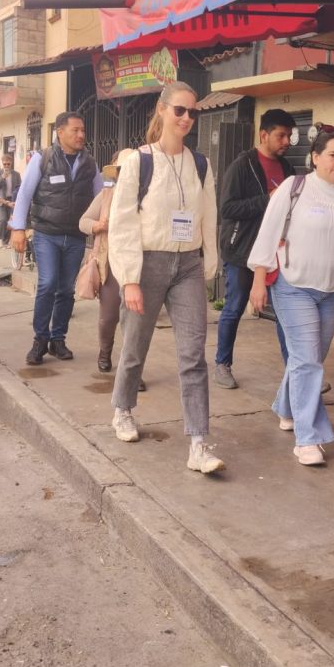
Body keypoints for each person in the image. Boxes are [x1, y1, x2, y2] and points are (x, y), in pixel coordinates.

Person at [107, 81, 224, 475]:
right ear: (161, 110)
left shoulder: (201, 164)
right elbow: (122, 222)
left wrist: (209, 263)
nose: (187, 118)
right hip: (148, 263)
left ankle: (198, 443)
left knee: (193, 354)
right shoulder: (139, 162)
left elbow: (209, 215)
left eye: (193, 112)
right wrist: (129, 279)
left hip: (188, 264)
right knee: (135, 345)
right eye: (179, 110)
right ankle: (123, 409)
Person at [248, 124, 334, 467]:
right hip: (294, 286)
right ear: (315, 157)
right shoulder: (295, 187)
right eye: (333, 155)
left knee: (309, 358)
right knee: (308, 360)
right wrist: (258, 281)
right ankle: (308, 438)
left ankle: (286, 407)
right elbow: (268, 234)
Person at [10, 112, 102, 365]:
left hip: (75, 237)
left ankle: (58, 339)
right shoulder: (43, 158)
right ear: (60, 132)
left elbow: (101, 198)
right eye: (75, 130)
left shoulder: (89, 163)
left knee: (66, 289)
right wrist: (18, 228)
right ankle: (40, 339)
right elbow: (24, 194)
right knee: (48, 283)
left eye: (83, 130)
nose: (81, 135)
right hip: (46, 234)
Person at [214, 108, 296, 389]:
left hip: (276, 253)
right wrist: (267, 199)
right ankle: (222, 364)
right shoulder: (242, 165)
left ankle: (297, 372)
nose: (287, 141)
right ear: (264, 135)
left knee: (285, 312)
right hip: (242, 251)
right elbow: (227, 208)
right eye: (281, 135)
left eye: (289, 136)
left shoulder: (288, 169)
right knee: (234, 307)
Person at [79, 148, 146, 389]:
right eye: (121, 170)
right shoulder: (106, 195)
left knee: (136, 323)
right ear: (115, 173)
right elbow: (83, 222)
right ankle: (105, 352)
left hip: (139, 267)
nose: (126, 174)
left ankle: (132, 372)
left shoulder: (148, 197)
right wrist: (98, 225)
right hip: (110, 266)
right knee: (108, 318)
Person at [0, 155, 21, 247]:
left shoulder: (16, 174)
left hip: (12, 200)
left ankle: (7, 241)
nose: (6, 166)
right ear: (2, 163)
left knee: (10, 220)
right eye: (4, 164)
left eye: (8, 164)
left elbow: (19, 187)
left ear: (11, 163)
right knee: (3, 219)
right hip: (1, 200)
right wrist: (2, 177)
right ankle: (0, 239)